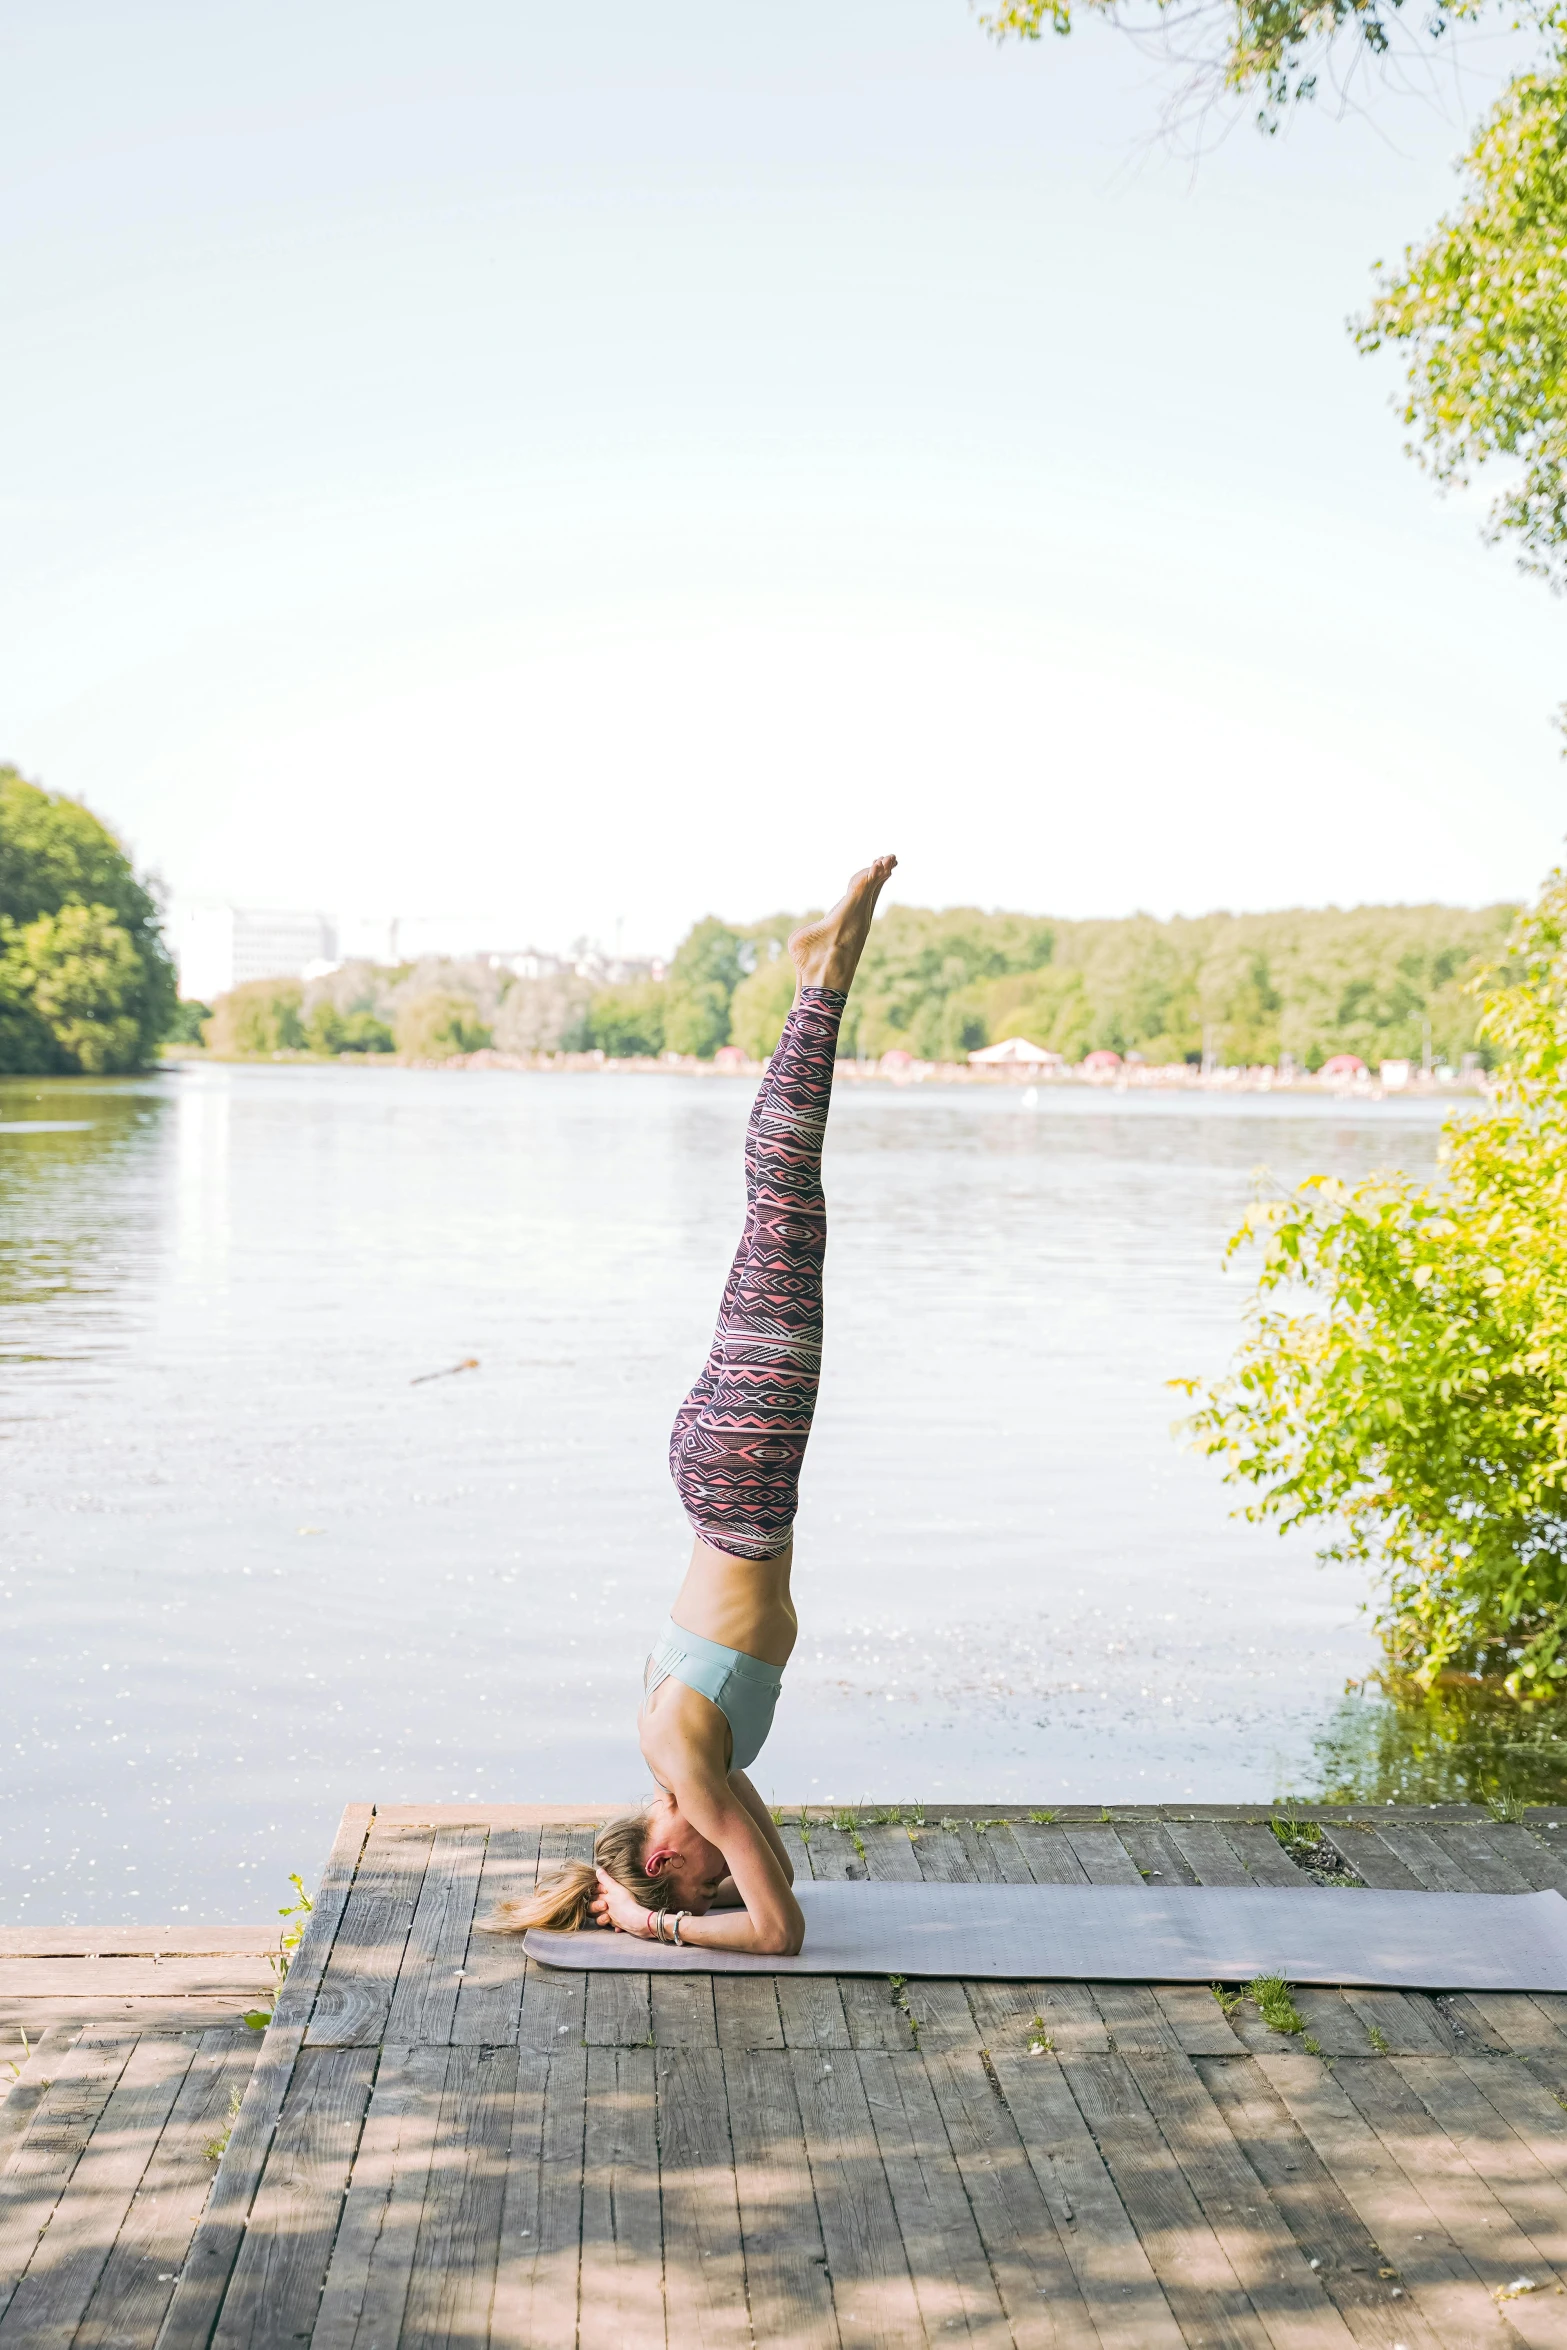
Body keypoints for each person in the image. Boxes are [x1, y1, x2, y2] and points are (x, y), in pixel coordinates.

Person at [498, 855, 896, 1954]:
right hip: (725, 1476)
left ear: (668, 1851)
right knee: (782, 1215)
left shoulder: (685, 1766)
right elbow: (761, 1885)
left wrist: (648, 1925)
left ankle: (822, 982)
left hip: (742, 1482)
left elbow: (781, 1934)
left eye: (697, 1880)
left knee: (787, 1204)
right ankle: (819, 987)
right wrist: (651, 1896)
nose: (728, 1872)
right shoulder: (692, 1769)